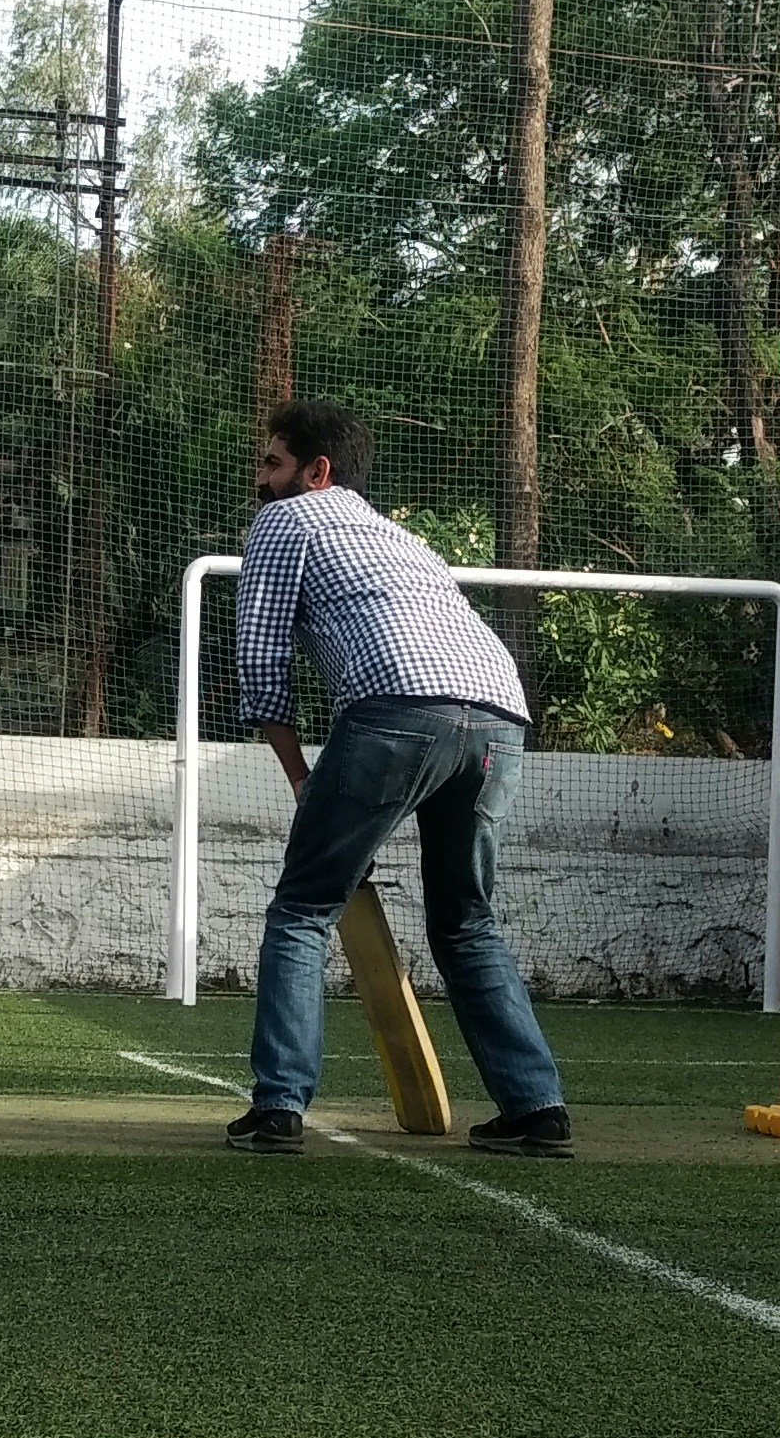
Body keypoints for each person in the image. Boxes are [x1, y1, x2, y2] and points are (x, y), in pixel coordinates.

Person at [223, 400, 572, 1158]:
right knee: (466, 920)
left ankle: (279, 1105)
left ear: (317, 472)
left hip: (396, 712)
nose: (260, 480)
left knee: (304, 906)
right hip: (499, 719)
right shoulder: (404, 539)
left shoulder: (286, 522)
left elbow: (259, 663)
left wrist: (301, 778)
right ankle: (537, 1107)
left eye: (272, 463)